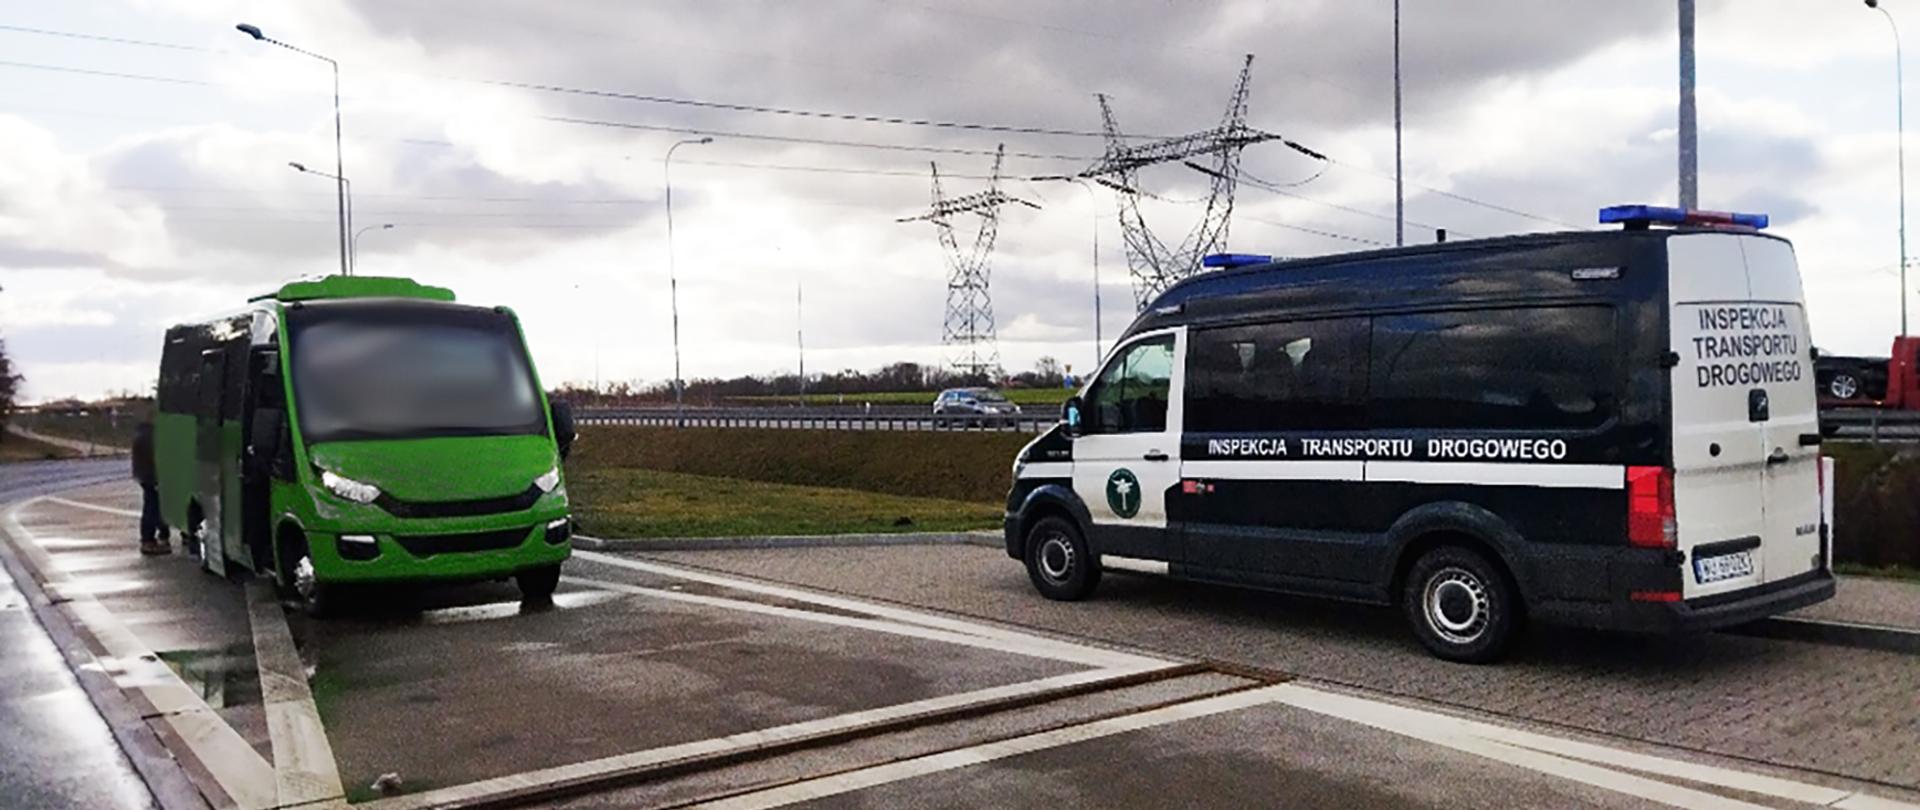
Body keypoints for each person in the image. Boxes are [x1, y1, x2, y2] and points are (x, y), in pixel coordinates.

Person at [132, 421, 170, 556]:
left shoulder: (143, 432)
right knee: (153, 507)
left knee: (154, 505)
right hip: (152, 476)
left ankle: (158, 537)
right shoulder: (152, 435)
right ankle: (149, 540)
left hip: (145, 475)